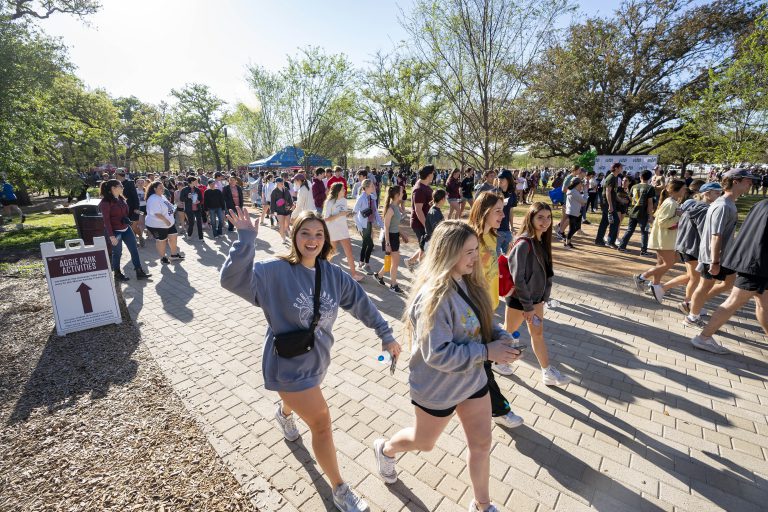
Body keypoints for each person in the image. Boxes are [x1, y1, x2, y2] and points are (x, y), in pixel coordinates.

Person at [221, 208, 401, 512]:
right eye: (305, 232)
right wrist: (245, 240)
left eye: (319, 234)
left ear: (326, 240)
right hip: (287, 365)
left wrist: (385, 333)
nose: (312, 239)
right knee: (321, 422)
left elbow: (361, 303)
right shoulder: (273, 271)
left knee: (305, 402)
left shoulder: (332, 275)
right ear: (294, 235)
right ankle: (340, 489)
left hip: (316, 362)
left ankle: (284, 412)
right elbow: (231, 280)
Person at [371, 221, 522, 512]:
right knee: (424, 442)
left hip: (473, 382)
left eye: (476, 250)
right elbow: (437, 354)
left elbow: (483, 325)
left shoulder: (470, 282)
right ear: (448, 252)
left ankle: (482, 505)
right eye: (468, 251)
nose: (475, 257)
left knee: (481, 444)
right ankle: (386, 449)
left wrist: (502, 340)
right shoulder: (434, 298)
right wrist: (488, 352)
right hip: (437, 387)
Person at [468, 192, 525, 428]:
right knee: (482, 365)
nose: (503, 215)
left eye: (503, 209)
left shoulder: (492, 236)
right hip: (472, 311)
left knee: (482, 364)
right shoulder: (470, 238)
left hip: (489, 307)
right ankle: (500, 409)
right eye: (498, 211)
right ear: (484, 212)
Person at [502, 202, 570, 388]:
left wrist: (543, 299)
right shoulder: (524, 243)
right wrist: (528, 307)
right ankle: (498, 362)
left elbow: (546, 273)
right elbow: (518, 279)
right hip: (520, 300)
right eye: (540, 217)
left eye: (548, 217)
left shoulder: (540, 241)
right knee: (507, 333)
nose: (545, 221)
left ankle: (547, 371)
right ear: (530, 218)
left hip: (536, 300)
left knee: (537, 334)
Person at [691, 199, 768, 353]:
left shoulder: (761, 203)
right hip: (757, 264)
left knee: (764, 304)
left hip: (754, 261)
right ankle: (703, 337)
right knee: (734, 301)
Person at [684, 169, 754, 327]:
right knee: (704, 285)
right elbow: (716, 236)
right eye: (747, 180)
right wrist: (714, 262)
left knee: (729, 283)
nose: (751, 183)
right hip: (713, 256)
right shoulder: (723, 205)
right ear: (735, 181)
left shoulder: (729, 203)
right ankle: (692, 316)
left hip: (724, 256)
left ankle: (694, 304)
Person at [657, 182, 722, 313]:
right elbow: (705, 233)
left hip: (686, 246)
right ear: (707, 193)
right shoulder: (704, 209)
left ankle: (664, 290)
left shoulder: (692, 204)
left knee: (692, 276)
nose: (719, 196)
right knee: (695, 278)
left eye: (720, 193)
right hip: (691, 247)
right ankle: (688, 304)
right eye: (717, 193)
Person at [632, 180, 687, 301]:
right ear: (676, 190)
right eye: (683, 188)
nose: (685, 191)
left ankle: (655, 285)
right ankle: (641, 277)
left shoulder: (672, 202)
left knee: (662, 264)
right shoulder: (670, 203)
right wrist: (678, 216)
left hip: (664, 239)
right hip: (664, 239)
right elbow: (663, 222)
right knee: (669, 263)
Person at [98, 179, 150, 282]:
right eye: (120, 186)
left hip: (126, 229)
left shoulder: (121, 198)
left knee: (134, 249)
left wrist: (131, 217)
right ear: (113, 188)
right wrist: (111, 236)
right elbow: (106, 221)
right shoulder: (105, 203)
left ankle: (139, 271)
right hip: (115, 232)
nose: (123, 187)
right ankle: (117, 274)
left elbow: (125, 212)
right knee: (117, 253)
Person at [323, 183, 363, 282]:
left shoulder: (344, 200)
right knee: (331, 253)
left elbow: (343, 215)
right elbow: (326, 219)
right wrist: (340, 214)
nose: (345, 190)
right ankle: (323, 273)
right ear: (337, 191)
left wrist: (348, 215)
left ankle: (354, 274)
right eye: (343, 189)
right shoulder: (330, 202)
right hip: (332, 230)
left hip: (343, 229)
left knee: (349, 252)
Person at [373, 185, 410, 293]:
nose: (403, 194)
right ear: (397, 195)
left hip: (394, 236)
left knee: (392, 261)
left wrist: (402, 234)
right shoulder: (391, 209)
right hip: (390, 238)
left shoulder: (396, 207)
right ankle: (393, 285)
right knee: (395, 261)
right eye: (402, 192)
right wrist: (388, 243)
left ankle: (379, 275)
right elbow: (386, 227)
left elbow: (395, 224)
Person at [144, 181, 184, 264]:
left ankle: (174, 255)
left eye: (163, 187)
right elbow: (157, 213)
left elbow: (170, 207)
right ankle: (163, 257)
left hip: (169, 223)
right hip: (158, 225)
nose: (162, 189)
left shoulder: (162, 196)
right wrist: (166, 221)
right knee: (161, 241)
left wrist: (176, 205)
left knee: (173, 236)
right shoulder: (153, 199)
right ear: (154, 189)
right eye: (160, 187)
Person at [617, 170, 655, 255]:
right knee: (644, 232)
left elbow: (630, 199)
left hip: (633, 211)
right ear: (649, 178)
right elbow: (650, 203)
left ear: (640, 177)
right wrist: (650, 215)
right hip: (643, 213)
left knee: (629, 230)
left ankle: (622, 246)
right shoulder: (650, 188)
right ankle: (643, 251)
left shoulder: (634, 186)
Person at [407, 165, 435, 268]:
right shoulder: (419, 189)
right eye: (433, 173)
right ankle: (421, 270)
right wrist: (426, 226)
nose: (434, 175)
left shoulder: (426, 186)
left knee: (425, 245)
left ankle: (410, 261)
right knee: (426, 247)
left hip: (425, 222)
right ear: (428, 175)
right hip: (419, 224)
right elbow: (418, 210)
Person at [353, 179, 383, 275]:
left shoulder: (372, 198)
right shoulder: (361, 198)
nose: (374, 187)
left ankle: (361, 263)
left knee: (365, 244)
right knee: (370, 245)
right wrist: (359, 227)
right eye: (371, 186)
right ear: (366, 188)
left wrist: (382, 225)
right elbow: (354, 213)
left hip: (369, 224)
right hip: (363, 225)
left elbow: (375, 212)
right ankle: (366, 264)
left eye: (373, 186)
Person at [594, 163, 622, 247]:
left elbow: (613, 192)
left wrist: (620, 200)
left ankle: (599, 240)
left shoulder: (615, 177)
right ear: (616, 168)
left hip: (609, 202)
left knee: (605, 222)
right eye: (621, 167)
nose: (622, 168)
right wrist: (610, 205)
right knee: (615, 221)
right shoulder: (611, 177)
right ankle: (610, 241)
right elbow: (608, 192)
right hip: (607, 203)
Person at [496, 170, 517, 255]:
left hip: (506, 229)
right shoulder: (494, 193)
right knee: (495, 257)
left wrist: (512, 226)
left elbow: (511, 211)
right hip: (496, 230)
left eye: (502, 178)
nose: (499, 180)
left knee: (509, 255)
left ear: (508, 179)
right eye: (499, 178)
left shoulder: (512, 194)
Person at [563, 178, 588, 249]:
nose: (582, 185)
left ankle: (568, 241)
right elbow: (584, 201)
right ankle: (567, 241)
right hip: (573, 212)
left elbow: (580, 201)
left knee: (575, 228)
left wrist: (582, 190)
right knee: (573, 228)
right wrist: (585, 191)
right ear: (577, 184)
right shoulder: (574, 192)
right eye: (581, 183)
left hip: (575, 211)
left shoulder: (573, 191)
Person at [270, 177, 294, 245]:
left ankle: (289, 232)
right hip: (279, 210)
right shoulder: (274, 191)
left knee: (287, 225)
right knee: (282, 225)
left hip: (287, 210)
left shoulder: (286, 189)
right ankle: (284, 239)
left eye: (282, 182)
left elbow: (290, 198)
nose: (282, 183)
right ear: (277, 183)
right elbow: (272, 203)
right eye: (280, 182)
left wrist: (291, 205)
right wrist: (272, 212)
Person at [180, 177, 204, 241]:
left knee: (199, 223)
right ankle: (189, 235)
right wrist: (187, 197)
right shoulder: (184, 189)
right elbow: (181, 199)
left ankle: (201, 237)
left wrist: (199, 201)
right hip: (189, 209)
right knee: (191, 223)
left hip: (197, 208)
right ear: (191, 182)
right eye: (195, 181)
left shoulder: (197, 189)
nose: (197, 182)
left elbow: (201, 199)